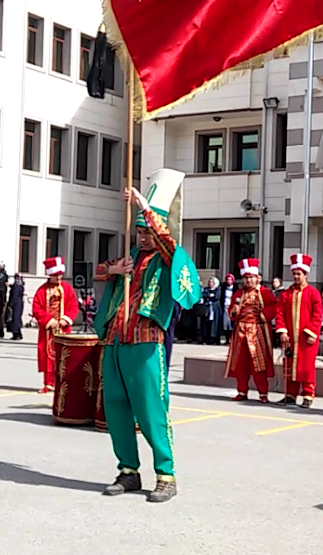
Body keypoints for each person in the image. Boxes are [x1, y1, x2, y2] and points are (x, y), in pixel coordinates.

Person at [93, 169, 201, 503]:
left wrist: (144, 204)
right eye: (138, 230)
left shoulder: (170, 259)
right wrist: (113, 271)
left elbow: (168, 242)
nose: (142, 237)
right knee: (116, 408)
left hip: (145, 341)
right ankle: (128, 471)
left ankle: (166, 475)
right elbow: (98, 270)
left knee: (152, 409)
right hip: (115, 340)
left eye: (147, 231)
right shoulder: (130, 258)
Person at [224, 258, 277, 403]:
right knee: (240, 363)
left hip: (257, 331)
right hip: (240, 331)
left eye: (251, 277)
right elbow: (231, 311)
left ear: (256, 278)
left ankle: (263, 393)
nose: (248, 281)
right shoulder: (238, 294)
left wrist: (263, 314)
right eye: (246, 278)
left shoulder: (265, 293)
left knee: (259, 364)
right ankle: (242, 391)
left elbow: (274, 306)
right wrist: (233, 312)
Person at [274, 253, 323, 408]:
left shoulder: (313, 293)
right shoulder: (286, 294)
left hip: (305, 338)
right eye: (294, 274)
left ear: (305, 274)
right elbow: (279, 313)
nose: (296, 276)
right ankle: (290, 394)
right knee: (289, 366)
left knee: (306, 367)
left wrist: (311, 333)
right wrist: (282, 331)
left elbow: (317, 315)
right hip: (290, 338)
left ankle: (308, 395)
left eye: (299, 274)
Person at [32, 257, 78, 394]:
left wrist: (66, 319)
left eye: (59, 275)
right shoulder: (41, 291)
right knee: (47, 355)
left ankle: (62, 382)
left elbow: (73, 305)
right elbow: (36, 308)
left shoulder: (67, 289)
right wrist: (49, 321)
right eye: (55, 275)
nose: (58, 277)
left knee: (63, 355)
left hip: (63, 328)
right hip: (47, 329)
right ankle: (48, 383)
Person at [201, 277, 221, 344]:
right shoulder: (206, 289)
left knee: (214, 324)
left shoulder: (218, 289)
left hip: (214, 309)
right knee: (206, 324)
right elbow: (204, 295)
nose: (210, 283)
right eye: (209, 282)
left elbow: (216, 297)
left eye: (212, 282)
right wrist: (210, 296)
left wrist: (210, 296)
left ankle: (214, 339)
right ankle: (205, 339)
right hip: (207, 308)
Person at [8, 273, 26, 340]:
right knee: (18, 318)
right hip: (20, 303)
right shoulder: (21, 285)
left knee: (14, 319)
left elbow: (14, 295)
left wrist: (10, 305)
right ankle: (19, 333)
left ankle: (16, 334)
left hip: (15, 304)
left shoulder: (16, 285)